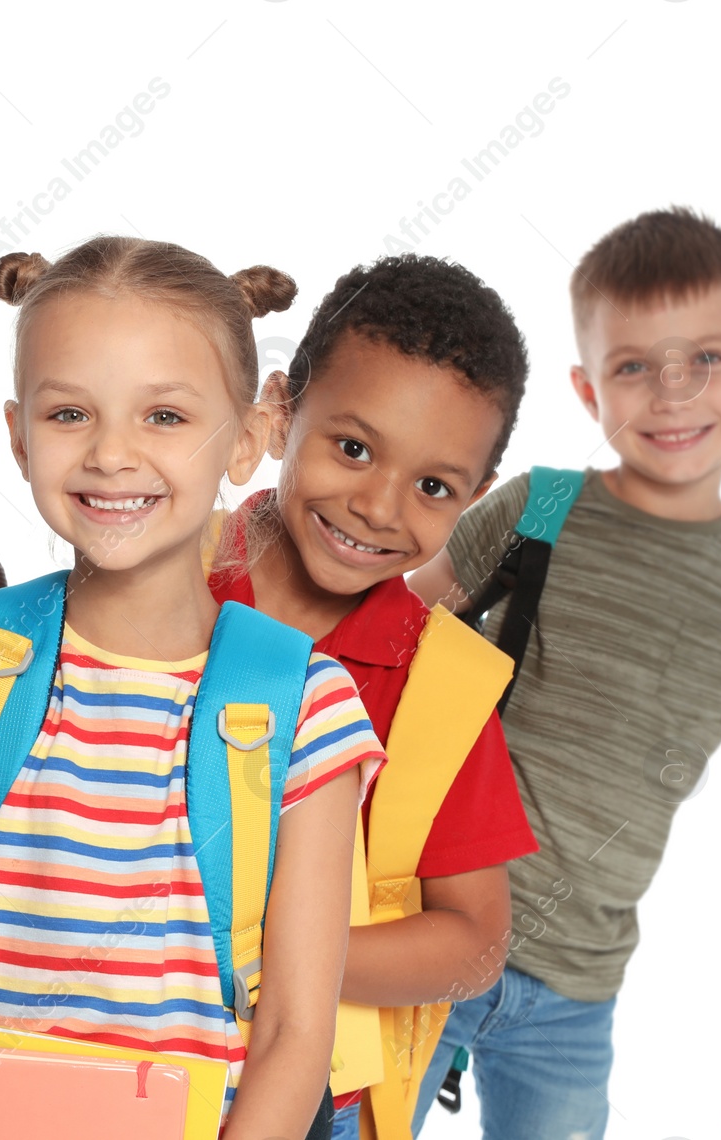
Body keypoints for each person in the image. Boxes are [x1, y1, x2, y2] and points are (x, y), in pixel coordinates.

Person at [0, 236, 386, 1139]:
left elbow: (298, 1024)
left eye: (164, 418)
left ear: (249, 439)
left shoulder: (304, 704)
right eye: (70, 415)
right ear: (18, 435)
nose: (110, 455)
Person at [409, 208, 721, 1140]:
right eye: (634, 366)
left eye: (707, 360)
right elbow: (388, 625)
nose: (672, 393)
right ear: (586, 386)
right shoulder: (540, 506)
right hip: (417, 931)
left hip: (575, 996)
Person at [208, 254, 538, 1138]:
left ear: (470, 500)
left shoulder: (441, 686)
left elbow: (475, 942)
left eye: (434, 487)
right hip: (90, 1047)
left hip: (319, 1097)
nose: (380, 507)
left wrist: (271, 962)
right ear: (278, 414)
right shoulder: (153, 573)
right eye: (352, 448)